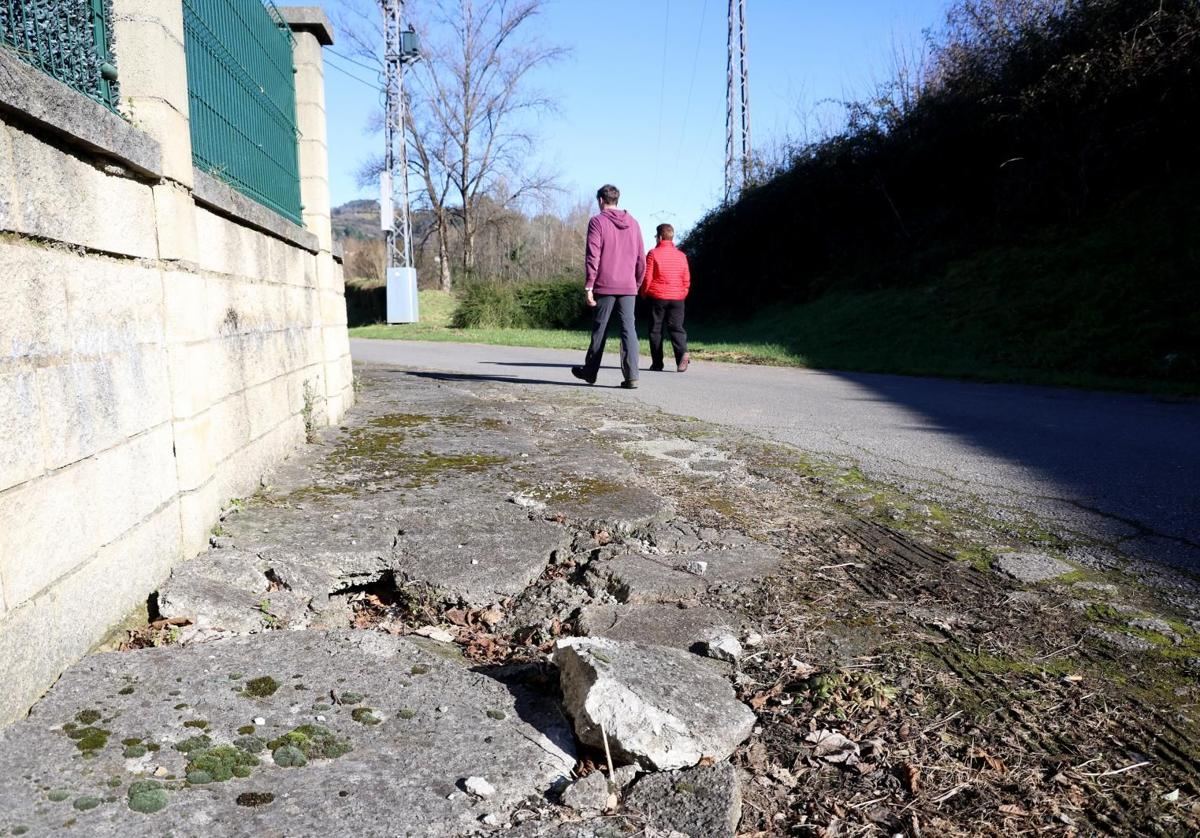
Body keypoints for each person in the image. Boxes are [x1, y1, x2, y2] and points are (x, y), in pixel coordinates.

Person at [572, 184, 645, 388]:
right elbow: (641, 259)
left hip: (605, 284)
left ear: (601, 201)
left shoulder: (597, 222)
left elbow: (593, 255)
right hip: (628, 286)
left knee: (600, 328)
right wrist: (635, 284)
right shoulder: (634, 223)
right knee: (628, 329)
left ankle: (590, 371)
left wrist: (589, 286)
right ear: (616, 200)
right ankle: (631, 376)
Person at [640, 223, 691, 372]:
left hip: (657, 296)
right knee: (676, 328)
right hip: (678, 297)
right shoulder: (682, 255)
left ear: (660, 237)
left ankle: (657, 363)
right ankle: (682, 354)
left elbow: (647, 277)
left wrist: (644, 292)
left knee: (655, 329)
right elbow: (686, 278)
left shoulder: (653, 253)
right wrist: (683, 292)